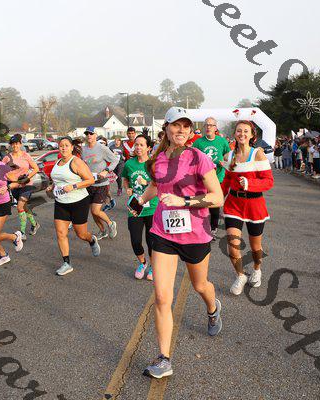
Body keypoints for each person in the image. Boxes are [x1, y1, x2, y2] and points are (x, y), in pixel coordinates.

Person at [139, 107, 224, 379]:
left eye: (186, 126)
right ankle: (164, 359)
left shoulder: (198, 157)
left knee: (200, 285)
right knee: (162, 297)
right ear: (166, 128)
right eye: (176, 125)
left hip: (195, 233)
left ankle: (213, 308)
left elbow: (217, 197)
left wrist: (184, 201)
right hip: (163, 233)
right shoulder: (158, 158)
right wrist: (139, 200)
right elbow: (157, 186)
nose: (181, 130)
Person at [220, 121, 274, 295]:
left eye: (245, 131)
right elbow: (227, 181)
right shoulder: (229, 156)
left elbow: (268, 181)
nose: (242, 134)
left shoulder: (257, 154)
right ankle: (240, 275)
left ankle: (257, 269)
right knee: (232, 245)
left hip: (254, 206)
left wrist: (249, 184)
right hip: (233, 205)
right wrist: (217, 197)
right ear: (235, 134)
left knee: (255, 247)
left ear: (252, 135)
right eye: (239, 131)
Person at [47, 137, 100, 276]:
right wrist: (51, 186)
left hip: (79, 202)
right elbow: (57, 180)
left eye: (66, 145)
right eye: (61, 146)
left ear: (71, 147)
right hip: (61, 202)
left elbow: (90, 180)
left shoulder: (76, 162)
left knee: (81, 234)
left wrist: (74, 186)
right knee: (60, 233)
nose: (63, 148)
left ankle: (92, 240)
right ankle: (66, 263)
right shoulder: (57, 162)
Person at [122, 134, 158, 281]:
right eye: (136, 144)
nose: (138, 147)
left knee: (151, 242)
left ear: (148, 147)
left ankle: (153, 267)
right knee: (135, 240)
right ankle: (143, 263)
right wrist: (127, 188)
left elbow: (160, 184)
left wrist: (146, 182)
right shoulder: (129, 164)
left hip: (152, 207)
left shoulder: (153, 164)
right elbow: (125, 178)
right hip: (135, 207)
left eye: (141, 145)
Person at [193, 116, 231, 240]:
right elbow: (192, 159)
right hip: (202, 178)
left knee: (214, 205)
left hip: (217, 177)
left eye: (211, 125)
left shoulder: (222, 141)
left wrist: (224, 162)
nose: (208, 127)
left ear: (215, 128)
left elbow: (228, 156)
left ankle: (213, 229)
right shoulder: (198, 142)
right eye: (206, 125)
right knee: (202, 204)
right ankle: (201, 228)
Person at [82, 127, 120, 240]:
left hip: (102, 184)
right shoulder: (83, 149)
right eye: (87, 134)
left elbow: (115, 160)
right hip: (89, 184)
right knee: (93, 212)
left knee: (95, 210)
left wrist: (106, 171)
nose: (89, 135)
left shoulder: (102, 148)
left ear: (95, 135)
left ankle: (110, 223)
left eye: (91, 133)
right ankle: (102, 231)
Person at [3, 134, 41, 239]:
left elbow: (36, 169)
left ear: (20, 144)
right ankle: (35, 224)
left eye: (17, 143)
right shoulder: (7, 158)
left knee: (20, 206)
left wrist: (27, 178)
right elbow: (0, 171)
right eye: (12, 144)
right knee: (24, 207)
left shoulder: (25, 155)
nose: (15, 145)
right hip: (15, 186)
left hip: (26, 185)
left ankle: (22, 233)